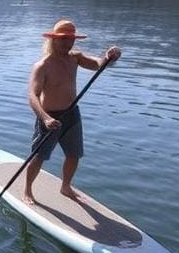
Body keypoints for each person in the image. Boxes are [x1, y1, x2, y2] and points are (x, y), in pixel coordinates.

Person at [24, 19, 121, 205]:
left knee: (73, 154)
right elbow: (32, 96)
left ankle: (66, 186)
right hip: (50, 117)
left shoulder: (74, 57)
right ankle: (28, 190)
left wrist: (108, 58)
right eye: (64, 39)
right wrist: (45, 118)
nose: (68, 43)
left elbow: (97, 64)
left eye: (71, 39)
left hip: (72, 115)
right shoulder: (42, 66)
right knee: (39, 156)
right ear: (53, 40)